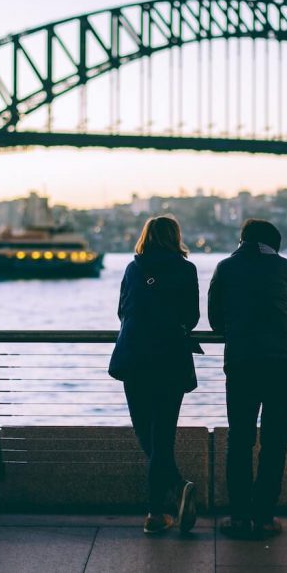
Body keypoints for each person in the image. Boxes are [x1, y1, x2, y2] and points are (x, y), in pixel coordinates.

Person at [208, 218, 287, 538]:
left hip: (243, 361)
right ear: (274, 244)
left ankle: (239, 517)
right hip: (286, 362)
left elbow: (214, 321)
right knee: (275, 441)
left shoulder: (225, 268)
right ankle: (264, 517)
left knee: (240, 440)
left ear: (243, 241)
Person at [108, 215, 201, 535]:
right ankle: (158, 509)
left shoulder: (134, 268)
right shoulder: (186, 269)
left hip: (134, 357)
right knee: (163, 434)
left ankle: (165, 503)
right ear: (176, 237)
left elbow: (122, 310)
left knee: (144, 432)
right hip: (171, 359)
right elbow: (192, 316)